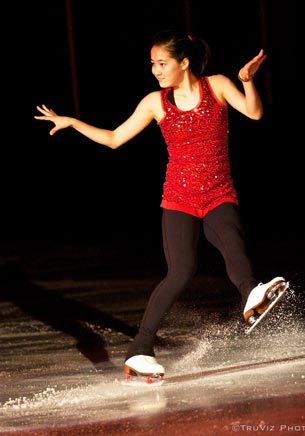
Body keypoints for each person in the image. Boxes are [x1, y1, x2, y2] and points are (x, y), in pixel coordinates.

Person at [35, 29, 286, 379]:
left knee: (232, 241)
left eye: (162, 63)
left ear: (184, 63)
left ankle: (251, 294)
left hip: (218, 190)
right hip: (179, 198)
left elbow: (254, 113)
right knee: (180, 271)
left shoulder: (217, 85)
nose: (155, 69)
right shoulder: (156, 102)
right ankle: (140, 350)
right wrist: (73, 122)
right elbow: (113, 139)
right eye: (152, 63)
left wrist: (246, 81)